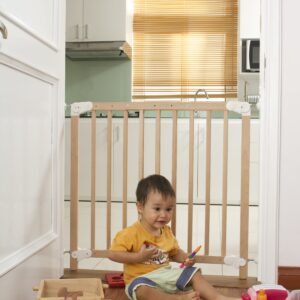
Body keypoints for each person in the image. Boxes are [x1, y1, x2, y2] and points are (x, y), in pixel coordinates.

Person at [108, 174, 240, 300]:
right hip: (142, 279)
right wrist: (139, 257)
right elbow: (113, 254)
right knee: (142, 290)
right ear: (140, 207)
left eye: (168, 209)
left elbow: (174, 253)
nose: (164, 215)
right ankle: (178, 298)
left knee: (194, 273)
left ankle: (217, 297)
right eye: (157, 209)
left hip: (166, 277)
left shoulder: (166, 232)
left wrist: (185, 258)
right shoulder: (131, 233)